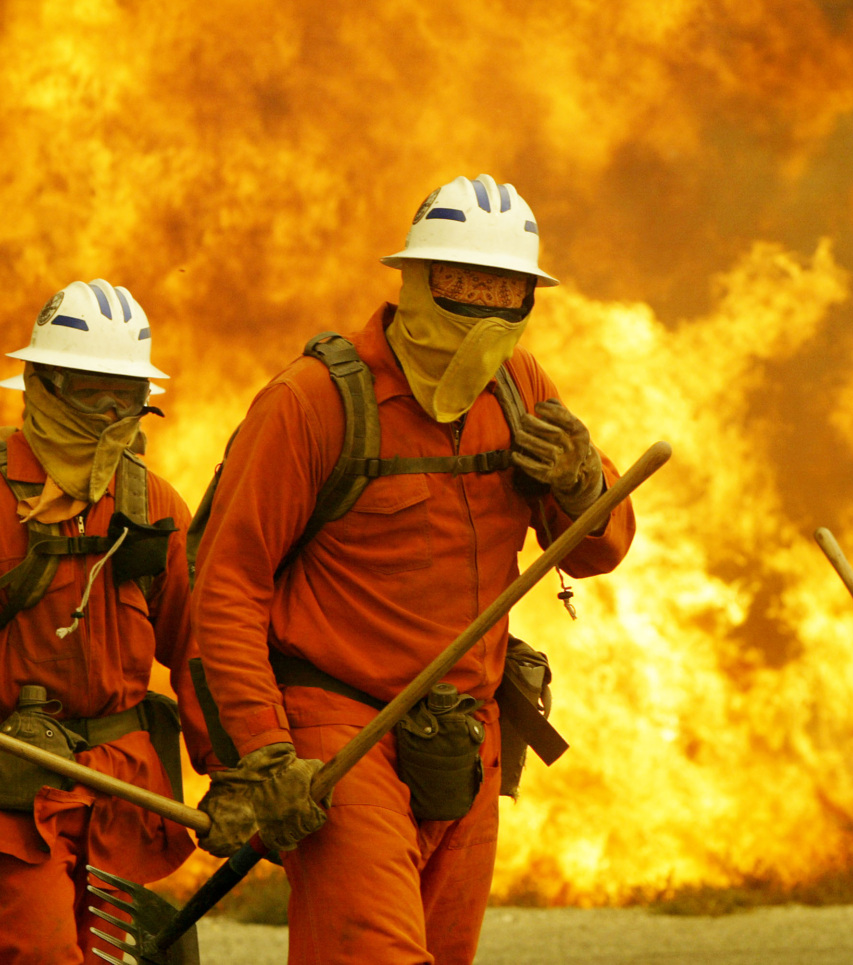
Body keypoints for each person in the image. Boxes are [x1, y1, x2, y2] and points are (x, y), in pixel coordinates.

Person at [191, 174, 637, 964]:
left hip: (465, 733)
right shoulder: (312, 402)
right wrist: (264, 751)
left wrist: (580, 483)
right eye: (463, 286)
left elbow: (597, 551)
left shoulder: (521, 388)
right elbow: (227, 584)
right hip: (340, 732)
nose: (485, 309)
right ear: (415, 280)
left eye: (507, 291)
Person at [0, 278, 216, 965]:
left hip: (123, 791)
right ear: (40, 381)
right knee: (39, 948)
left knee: (110, 955)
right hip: (14, 789)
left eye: (122, 395)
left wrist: (243, 771)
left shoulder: (153, 504)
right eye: (88, 387)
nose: (107, 410)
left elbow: (202, 651)